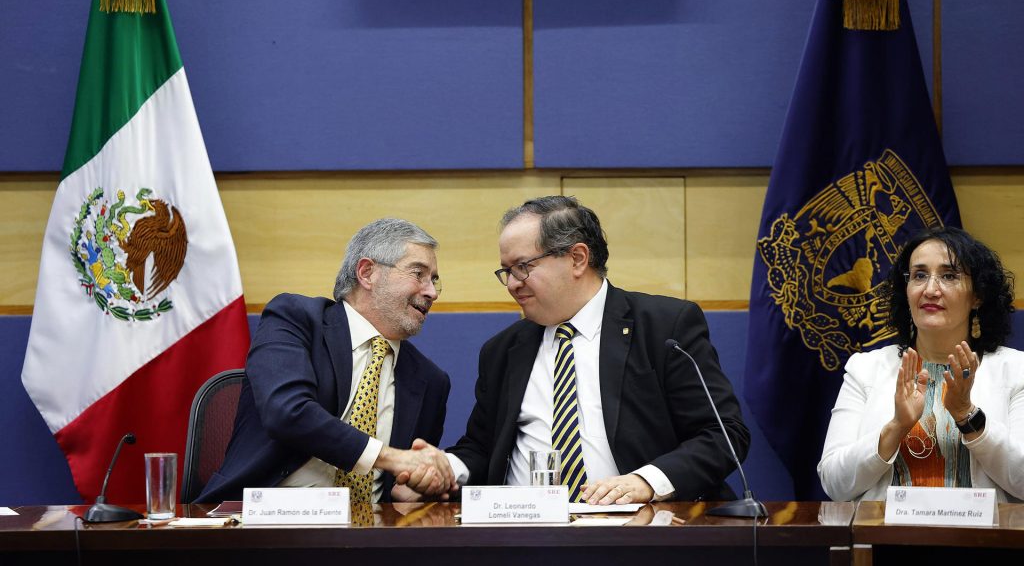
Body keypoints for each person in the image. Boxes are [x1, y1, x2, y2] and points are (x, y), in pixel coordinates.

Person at [434, 195, 749, 504]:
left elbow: (723, 434)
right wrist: (443, 469)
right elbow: (482, 448)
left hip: (640, 524)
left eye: (523, 266)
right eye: (507, 271)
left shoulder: (663, 327)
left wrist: (647, 481)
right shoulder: (502, 350)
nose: (513, 283)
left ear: (577, 259)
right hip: (528, 527)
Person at [197, 218, 454, 504]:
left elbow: (406, 483)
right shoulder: (295, 319)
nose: (431, 292)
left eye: (434, 280)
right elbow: (287, 412)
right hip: (265, 517)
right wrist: (389, 458)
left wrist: (415, 487)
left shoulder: (430, 381)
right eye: (418, 274)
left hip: (371, 527)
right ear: (367, 273)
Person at [818, 226, 1022, 501]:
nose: (930, 290)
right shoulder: (865, 369)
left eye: (949, 276)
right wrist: (896, 427)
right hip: (886, 529)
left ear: (978, 295)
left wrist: (966, 414)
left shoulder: (1016, 371)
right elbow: (834, 484)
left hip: (985, 529)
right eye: (919, 275)